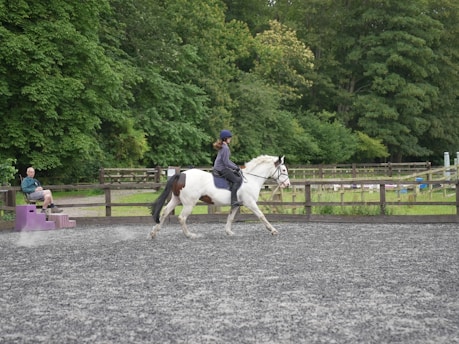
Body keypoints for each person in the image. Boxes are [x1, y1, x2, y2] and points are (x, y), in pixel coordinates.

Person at [213, 129, 243, 209]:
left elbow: (228, 161)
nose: (230, 139)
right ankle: (233, 201)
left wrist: (236, 166)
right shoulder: (225, 148)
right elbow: (226, 162)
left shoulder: (223, 146)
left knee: (235, 176)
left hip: (220, 167)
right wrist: (236, 168)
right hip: (221, 169)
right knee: (237, 180)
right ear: (225, 138)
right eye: (229, 138)